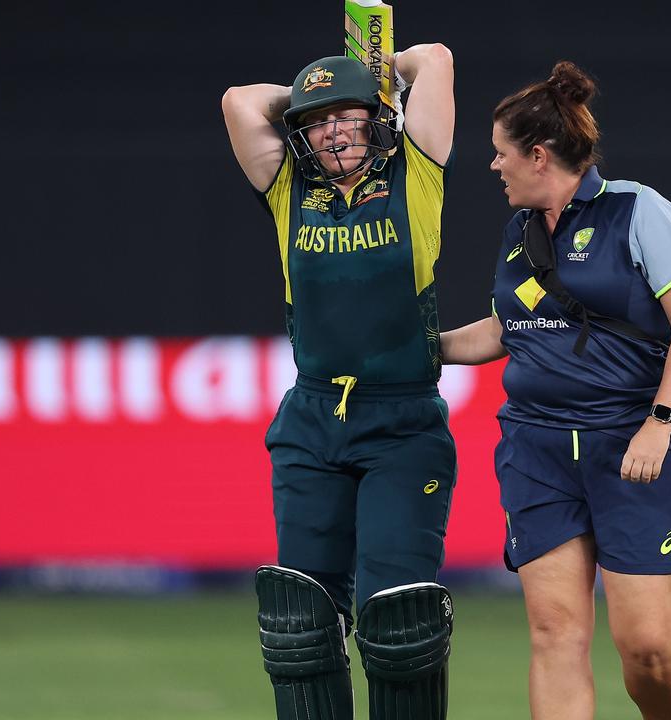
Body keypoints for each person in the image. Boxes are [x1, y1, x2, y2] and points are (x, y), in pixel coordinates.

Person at [440, 61, 671, 720]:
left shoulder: (638, 210)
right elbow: (508, 330)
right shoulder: (521, 233)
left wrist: (659, 422)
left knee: (645, 644)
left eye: (501, 153)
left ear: (538, 156)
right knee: (554, 633)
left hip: (631, 447)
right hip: (535, 449)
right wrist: (418, 346)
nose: (493, 166)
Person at [222, 44, 456, 720]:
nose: (332, 132)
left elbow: (435, 60)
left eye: (346, 116)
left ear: (378, 117)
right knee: (301, 622)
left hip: (403, 424)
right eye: (315, 123)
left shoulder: (417, 171)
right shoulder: (290, 189)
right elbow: (239, 100)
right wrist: (312, 91)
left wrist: (380, 66)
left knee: (399, 623)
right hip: (313, 421)